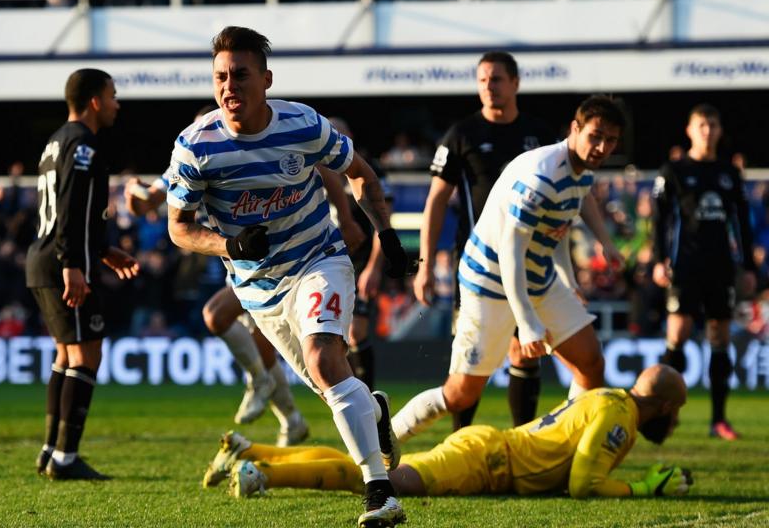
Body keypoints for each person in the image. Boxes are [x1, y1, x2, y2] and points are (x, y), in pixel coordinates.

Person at [165, 26, 411, 528]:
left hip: (319, 259)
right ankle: (376, 412)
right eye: (220, 77)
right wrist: (228, 245)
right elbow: (178, 228)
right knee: (331, 385)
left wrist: (385, 232)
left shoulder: (304, 125)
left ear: (267, 79)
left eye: (240, 75)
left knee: (324, 359)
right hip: (258, 289)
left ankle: (379, 492)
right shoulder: (196, 147)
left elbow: (359, 171)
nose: (229, 86)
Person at [392, 95, 625, 445]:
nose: (602, 147)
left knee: (591, 364)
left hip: (536, 278)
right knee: (460, 394)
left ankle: (562, 451)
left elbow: (555, 231)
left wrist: (568, 280)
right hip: (488, 280)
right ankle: (385, 436)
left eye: (611, 140)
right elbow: (510, 251)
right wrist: (528, 322)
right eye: (596, 136)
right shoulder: (542, 176)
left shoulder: (580, 174)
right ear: (574, 129)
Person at [206, 365, 693, 501]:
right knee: (376, 479)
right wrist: (646, 487)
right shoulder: (619, 416)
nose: (674, 423)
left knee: (367, 464)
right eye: (677, 413)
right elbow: (583, 484)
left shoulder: (605, 398)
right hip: (486, 460)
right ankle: (263, 473)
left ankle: (253, 450)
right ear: (665, 406)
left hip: (489, 450)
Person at [123, 104, 312, 448]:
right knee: (259, 342)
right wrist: (133, 192)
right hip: (236, 258)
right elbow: (148, 202)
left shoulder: (249, 151)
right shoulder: (191, 156)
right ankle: (291, 419)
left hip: (270, 258)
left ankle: (264, 382)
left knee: (217, 316)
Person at [27, 69, 140, 481]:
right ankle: (66, 458)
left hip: (42, 258)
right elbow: (73, 206)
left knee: (64, 353)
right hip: (63, 263)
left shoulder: (55, 142)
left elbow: (68, 207)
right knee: (86, 355)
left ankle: (50, 450)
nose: (116, 103)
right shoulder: (85, 144)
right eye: (112, 95)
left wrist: (103, 249)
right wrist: (73, 263)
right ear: (94, 100)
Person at [651, 103, 756, 441]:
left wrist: (749, 267)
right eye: (701, 125)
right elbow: (660, 220)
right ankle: (663, 416)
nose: (707, 131)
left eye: (712, 124)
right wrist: (658, 259)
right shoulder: (675, 170)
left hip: (721, 267)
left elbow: (741, 223)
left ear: (720, 130)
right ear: (689, 129)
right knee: (677, 337)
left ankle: (718, 420)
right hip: (685, 266)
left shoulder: (729, 172)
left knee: (719, 339)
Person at [329, 117, 388, 391]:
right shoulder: (314, 170)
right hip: (325, 263)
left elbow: (384, 222)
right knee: (335, 338)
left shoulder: (367, 169)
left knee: (355, 332)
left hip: (360, 262)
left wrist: (374, 267)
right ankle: (352, 398)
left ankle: (371, 399)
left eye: (340, 136)